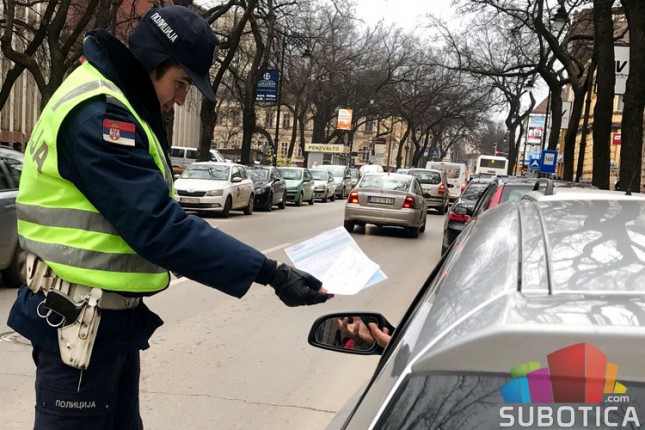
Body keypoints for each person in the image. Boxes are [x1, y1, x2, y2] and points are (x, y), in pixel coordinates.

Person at [7, 6, 330, 429]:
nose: (180, 98)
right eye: (180, 82)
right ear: (155, 63)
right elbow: (159, 226)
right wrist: (269, 273)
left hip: (104, 325)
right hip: (79, 327)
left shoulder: (116, 103)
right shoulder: (101, 114)